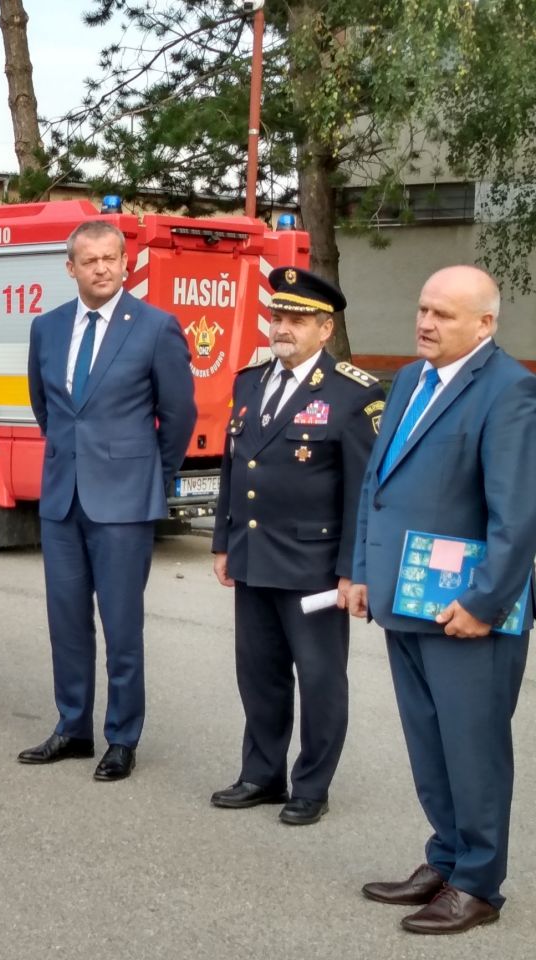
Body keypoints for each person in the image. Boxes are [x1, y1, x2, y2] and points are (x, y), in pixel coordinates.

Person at [349, 265, 536, 934]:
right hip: (406, 597)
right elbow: (378, 481)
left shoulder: (510, 390)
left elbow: (518, 515)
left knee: (472, 745)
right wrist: (362, 569)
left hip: (469, 613)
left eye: (444, 315)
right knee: (430, 743)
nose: (426, 323)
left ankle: (478, 884)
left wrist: (485, 603)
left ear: (485, 324)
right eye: (423, 309)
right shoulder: (409, 379)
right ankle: (448, 857)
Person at [18, 220, 196, 779]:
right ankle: (73, 727)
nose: (101, 268)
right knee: (66, 623)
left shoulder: (155, 328)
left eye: (110, 259)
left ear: (125, 264)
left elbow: (179, 415)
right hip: (62, 500)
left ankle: (122, 737)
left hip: (124, 503)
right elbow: (46, 408)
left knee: (122, 628)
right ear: (70, 267)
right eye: (89, 260)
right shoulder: (46, 327)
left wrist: (150, 477)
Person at [209, 268, 384, 825]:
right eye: (277, 317)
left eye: (297, 320)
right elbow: (235, 467)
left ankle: (311, 785)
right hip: (253, 555)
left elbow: (363, 491)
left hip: (314, 567)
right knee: (258, 674)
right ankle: (261, 774)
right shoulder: (249, 382)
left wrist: (354, 569)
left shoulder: (353, 393)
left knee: (319, 679)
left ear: (325, 328)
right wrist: (223, 541)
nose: (282, 328)